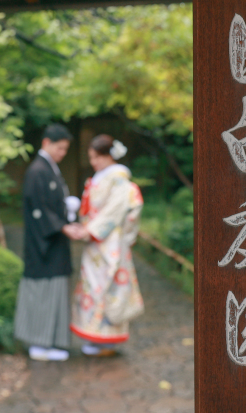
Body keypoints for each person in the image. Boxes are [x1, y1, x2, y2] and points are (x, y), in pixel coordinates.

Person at [69, 134, 145, 356]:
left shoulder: (119, 178)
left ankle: (108, 340)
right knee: (93, 286)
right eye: (91, 157)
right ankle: (96, 336)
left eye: (96, 157)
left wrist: (90, 229)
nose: (93, 162)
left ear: (108, 156)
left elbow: (115, 210)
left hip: (110, 241)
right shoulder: (102, 176)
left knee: (108, 287)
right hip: (97, 242)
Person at [13, 124, 82, 362]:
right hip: (43, 245)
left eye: (65, 149)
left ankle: (50, 341)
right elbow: (39, 209)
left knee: (54, 291)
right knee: (42, 291)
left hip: (53, 243)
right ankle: (39, 343)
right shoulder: (37, 171)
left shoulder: (48, 169)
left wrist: (67, 214)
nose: (63, 153)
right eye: (60, 148)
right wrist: (62, 226)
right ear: (46, 143)